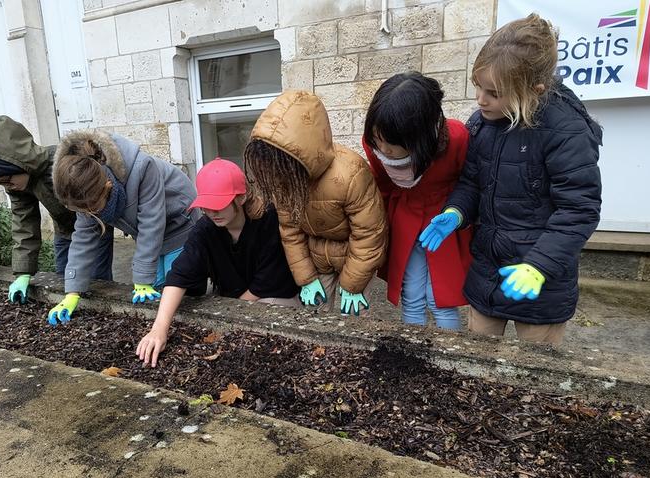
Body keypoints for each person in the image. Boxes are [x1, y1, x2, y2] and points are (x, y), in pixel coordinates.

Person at [419, 13, 602, 344]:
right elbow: (472, 183)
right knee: (478, 370)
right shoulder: (483, 123)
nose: (480, 100)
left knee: (539, 375)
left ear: (534, 90)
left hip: (541, 280)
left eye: (494, 92)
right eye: (478, 86)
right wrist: (455, 212)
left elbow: (579, 209)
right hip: (488, 271)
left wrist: (539, 266)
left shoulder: (567, 131)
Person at [136, 158, 299, 366]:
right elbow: (179, 274)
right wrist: (158, 329)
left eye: (219, 205)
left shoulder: (268, 220)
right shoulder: (206, 228)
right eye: (206, 206)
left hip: (274, 297)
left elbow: (267, 281)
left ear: (241, 197)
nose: (212, 212)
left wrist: (230, 313)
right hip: (234, 298)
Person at [244, 90, 388, 316]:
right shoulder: (282, 177)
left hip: (355, 253)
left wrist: (353, 285)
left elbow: (369, 233)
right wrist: (306, 279)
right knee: (315, 317)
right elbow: (290, 232)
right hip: (317, 258)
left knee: (356, 320)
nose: (273, 172)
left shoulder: (352, 173)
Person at [48, 129, 199, 325]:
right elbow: (83, 239)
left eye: (92, 208)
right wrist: (72, 292)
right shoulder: (83, 190)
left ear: (108, 185)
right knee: (155, 288)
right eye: (82, 211)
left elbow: (150, 224)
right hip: (150, 233)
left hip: (179, 223)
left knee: (178, 286)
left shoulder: (142, 168)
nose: (89, 215)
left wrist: (142, 279)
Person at [362, 72, 472, 330]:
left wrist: (457, 215)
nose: (384, 149)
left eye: (392, 142)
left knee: (441, 299)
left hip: (443, 222)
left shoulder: (456, 138)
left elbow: (468, 182)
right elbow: (383, 185)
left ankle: (451, 360)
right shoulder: (373, 144)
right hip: (405, 220)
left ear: (419, 137)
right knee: (411, 296)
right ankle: (415, 357)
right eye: (378, 140)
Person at [0, 116, 113, 304]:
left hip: (95, 228)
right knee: (64, 281)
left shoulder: (63, 162)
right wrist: (23, 273)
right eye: (0, 183)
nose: (8, 187)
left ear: (20, 164)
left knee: (95, 284)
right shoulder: (17, 185)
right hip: (65, 232)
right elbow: (24, 224)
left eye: (7, 180)